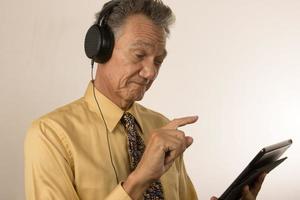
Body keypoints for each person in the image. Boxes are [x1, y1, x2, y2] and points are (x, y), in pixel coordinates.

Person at [24, 0, 266, 199]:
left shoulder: (162, 127)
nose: (150, 72)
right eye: (139, 54)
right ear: (101, 49)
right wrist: (140, 179)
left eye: (158, 61)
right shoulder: (51, 134)